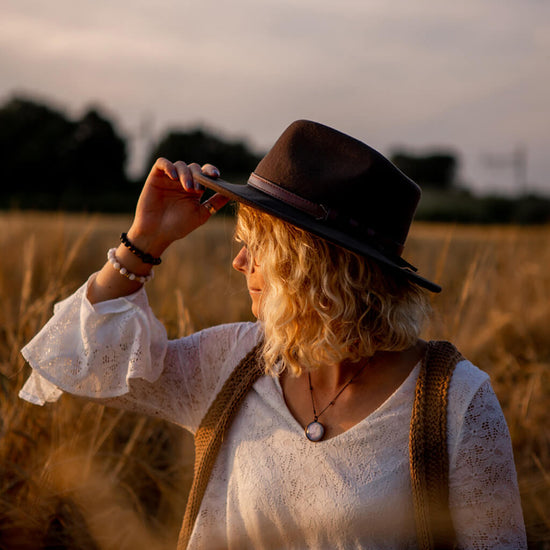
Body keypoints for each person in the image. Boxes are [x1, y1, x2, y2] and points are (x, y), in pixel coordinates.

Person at [20, 120, 526, 549]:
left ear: (316, 267)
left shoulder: (454, 403)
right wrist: (144, 242)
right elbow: (81, 366)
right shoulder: (236, 362)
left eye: (256, 246)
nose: (239, 262)